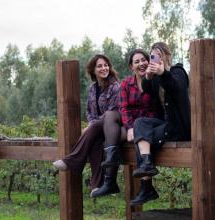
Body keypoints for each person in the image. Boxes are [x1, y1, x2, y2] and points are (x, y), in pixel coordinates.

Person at [90, 49, 164, 197]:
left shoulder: (154, 80)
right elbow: (124, 108)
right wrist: (130, 127)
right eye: (137, 62)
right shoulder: (126, 83)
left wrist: (134, 128)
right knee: (111, 121)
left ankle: (110, 181)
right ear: (131, 67)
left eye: (144, 60)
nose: (141, 64)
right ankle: (109, 176)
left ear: (149, 61)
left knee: (113, 135)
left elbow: (156, 109)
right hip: (132, 125)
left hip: (149, 125)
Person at [129, 42, 191, 205]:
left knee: (141, 137)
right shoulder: (156, 77)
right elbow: (147, 89)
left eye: (158, 55)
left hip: (179, 129)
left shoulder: (178, 71)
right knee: (140, 124)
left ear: (167, 56)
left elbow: (176, 88)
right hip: (166, 125)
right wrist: (148, 77)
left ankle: (146, 187)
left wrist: (163, 73)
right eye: (153, 56)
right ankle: (147, 165)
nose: (155, 59)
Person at [52, 54, 121, 195]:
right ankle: (96, 185)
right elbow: (89, 110)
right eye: (100, 66)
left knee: (95, 128)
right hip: (97, 129)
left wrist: (92, 125)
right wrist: (92, 123)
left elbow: (112, 111)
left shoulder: (115, 87)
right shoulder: (92, 89)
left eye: (106, 65)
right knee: (95, 142)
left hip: (113, 127)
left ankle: (71, 161)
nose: (104, 68)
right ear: (93, 70)